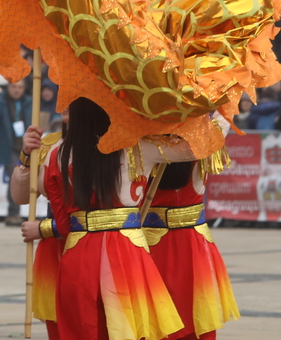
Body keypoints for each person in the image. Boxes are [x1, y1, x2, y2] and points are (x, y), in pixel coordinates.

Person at [16, 97, 191, 340]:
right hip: (127, 250)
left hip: (78, 252)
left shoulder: (57, 154)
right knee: (129, 330)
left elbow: (64, 223)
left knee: (82, 330)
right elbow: (195, 147)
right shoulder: (139, 147)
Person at [140, 159, 239, 340]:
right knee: (196, 316)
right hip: (193, 243)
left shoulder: (141, 148)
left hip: (152, 244)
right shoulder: (201, 145)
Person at [18, 113, 69, 340]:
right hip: (53, 251)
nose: (64, 100)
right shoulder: (49, 144)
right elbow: (20, 196)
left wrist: (44, 229)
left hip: (94, 244)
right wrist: (27, 156)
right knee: (56, 323)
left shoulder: (109, 143)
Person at [0, 79, 32, 222]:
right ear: (8, 87)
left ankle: (15, 213)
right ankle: (13, 213)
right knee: (15, 178)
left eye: (20, 87)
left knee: (22, 179)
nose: (17, 90)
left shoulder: (29, 102)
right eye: (14, 87)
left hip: (25, 147)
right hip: (7, 147)